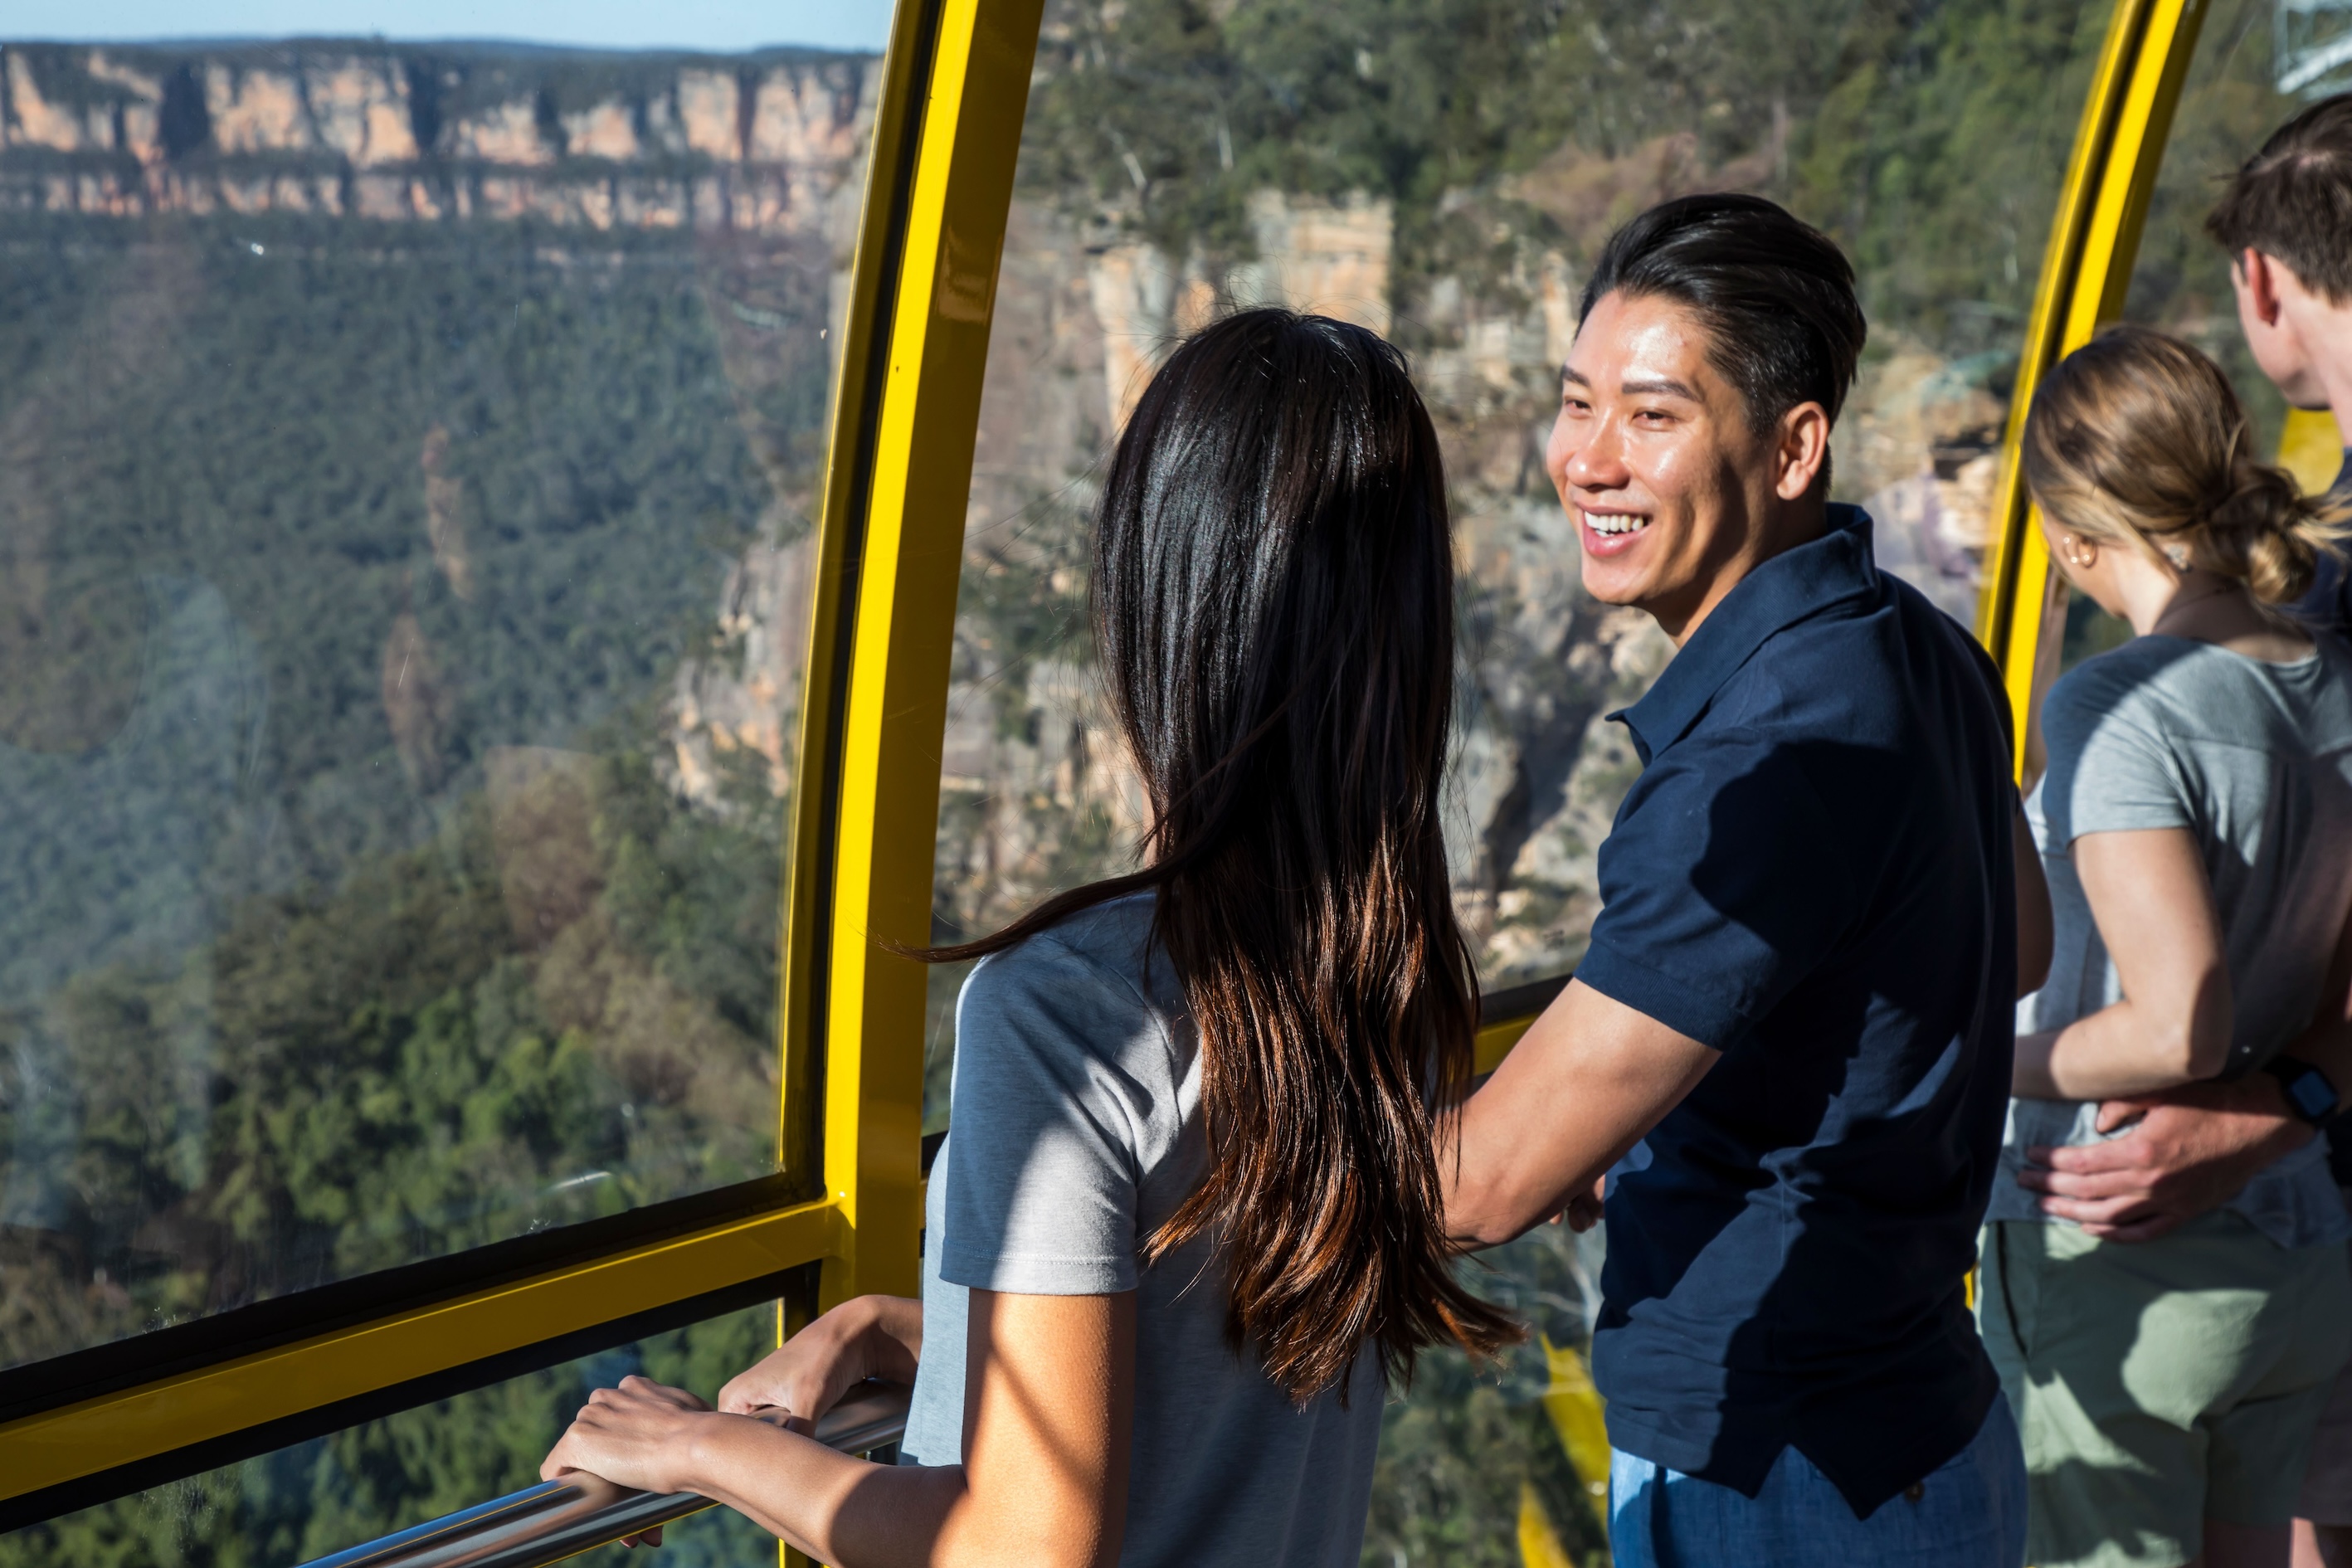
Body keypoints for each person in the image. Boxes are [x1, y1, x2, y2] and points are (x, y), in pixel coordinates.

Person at [536, 309, 1518, 1566]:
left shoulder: (1067, 1011)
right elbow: (1195, 1341)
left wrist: (697, 1447)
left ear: (1152, 606)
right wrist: (907, 1325)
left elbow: (1027, 1543)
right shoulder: (1380, 978)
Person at [1442, 192, 2050, 1568]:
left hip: (1779, 1471)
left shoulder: (1759, 766)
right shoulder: (1917, 643)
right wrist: (1677, 1091)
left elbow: (1476, 1188)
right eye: (1577, 402)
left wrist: (1184, 1167)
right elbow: (2012, 944)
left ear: (1791, 447)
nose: (1591, 459)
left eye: (1653, 416)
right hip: (1920, 1432)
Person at [2013, 93, 2352, 1568]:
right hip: (2301, 1253)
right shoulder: (2322, 668)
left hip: (2126, 1248)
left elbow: (2182, 1008)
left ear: (2078, 547)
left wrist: (1985, 1054)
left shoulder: (2119, 708)